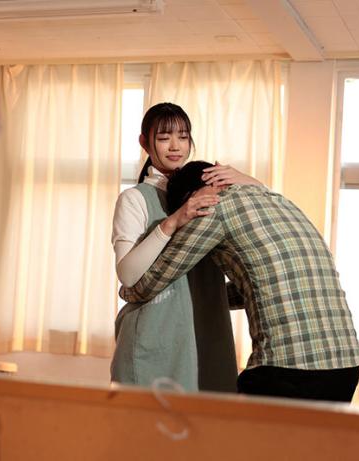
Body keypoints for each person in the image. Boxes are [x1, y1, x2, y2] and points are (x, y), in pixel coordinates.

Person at [119, 161, 359, 402]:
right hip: (345, 367)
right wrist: (198, 296)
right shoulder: (280, 202)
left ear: (192, 197)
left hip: (288, 367)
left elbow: (148, 283)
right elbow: (258, 284)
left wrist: (127, 292)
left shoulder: (213, 209)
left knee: (231, 424)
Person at [110, 102, 260, 391]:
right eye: (164, 137)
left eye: (183, 136)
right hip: (154, 341)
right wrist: (174, 220)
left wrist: (247, 180)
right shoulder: (135, 199)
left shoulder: (209, 190)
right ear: (144, 143)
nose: (175, 146)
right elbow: (127, 274)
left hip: (208, 335)